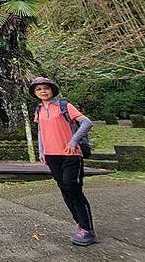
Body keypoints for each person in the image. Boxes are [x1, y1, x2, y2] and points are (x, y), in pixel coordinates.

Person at [29, 76, 96, 246]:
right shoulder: (38, 110)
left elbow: (86, 123)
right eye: (38, 89)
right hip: (52, 156)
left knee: (73, 189)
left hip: (71, 154)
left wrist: (73, 141)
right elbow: (41, 132)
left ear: (52, 90)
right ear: (35, 93)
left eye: (46, 88)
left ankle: (88, 230)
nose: (43, 91)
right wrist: (42, 151)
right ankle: (80, 224)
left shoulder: (64, 106)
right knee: (64, 189)